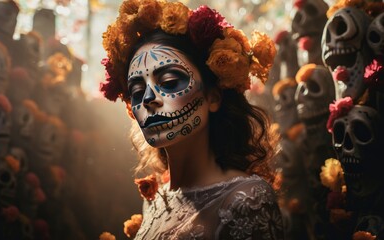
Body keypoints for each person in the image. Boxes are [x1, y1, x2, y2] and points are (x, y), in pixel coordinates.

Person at [101, 0, 284, 239]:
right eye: (136, 91)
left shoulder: (247, 199)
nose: (147, 99)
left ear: (213, 97)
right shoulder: (156, 199)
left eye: (168, 83)